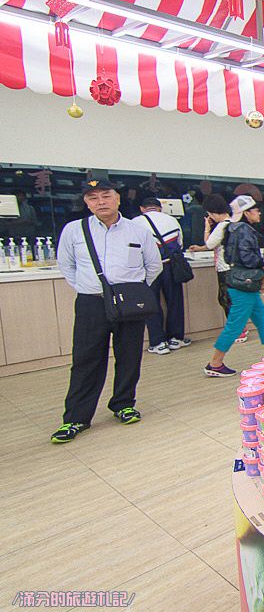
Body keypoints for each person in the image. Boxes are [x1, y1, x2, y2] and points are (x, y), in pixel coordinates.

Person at [50, 180, 162, 443]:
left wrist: (132, 292)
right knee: (86, 359)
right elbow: (66, 265)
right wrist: (87, 288)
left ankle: (123, 404)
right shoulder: (74, 230)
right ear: (86, 203)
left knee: (129, 354)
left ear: (117, 198)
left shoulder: (138, 230)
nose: (100, 202)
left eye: (105, 196)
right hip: (91, 303)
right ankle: (76, 418)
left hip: (130, 302)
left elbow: (153, 266)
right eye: (93, 198)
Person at [204, 196, 264, 377]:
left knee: (262, 319)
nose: (259, 213)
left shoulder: (233, 228)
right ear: (247, 213)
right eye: (255, 210)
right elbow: (248, 258)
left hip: (242, 282)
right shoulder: (243, 230)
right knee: (235, 325)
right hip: (243, 285)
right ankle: (215, 363)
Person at [187, 195, 249, 343]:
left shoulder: (222, 226)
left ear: (214, 212)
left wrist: (207, 228)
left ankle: (238, 331)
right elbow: (216, 244)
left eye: (209, 214)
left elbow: (209, 243)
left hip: (225, 268)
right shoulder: (232, 223)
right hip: (234, 268)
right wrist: (200, 248)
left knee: (226, 299)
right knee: (231, 299)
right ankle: (240, 328)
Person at [136, 197, 189, 354]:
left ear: (142, 208)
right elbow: (180, 244)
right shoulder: (172, 220)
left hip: (146, 269)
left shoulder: (134, 223)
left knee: (151, 304)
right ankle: (176, 338)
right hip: (169, 265)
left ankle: (158, 342)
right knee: (175, 301)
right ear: (160, 208)